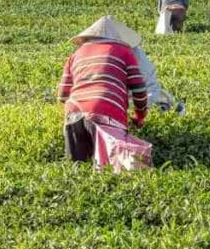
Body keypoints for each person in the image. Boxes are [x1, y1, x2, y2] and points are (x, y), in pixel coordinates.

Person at [57, 16, 149, 162]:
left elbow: (62, 96)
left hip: (73, 113)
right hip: (106, 111)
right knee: (114, 168)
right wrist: (140, 116)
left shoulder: (75, 55)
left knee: (77, 168)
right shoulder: (124, 51)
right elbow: (138, 89)